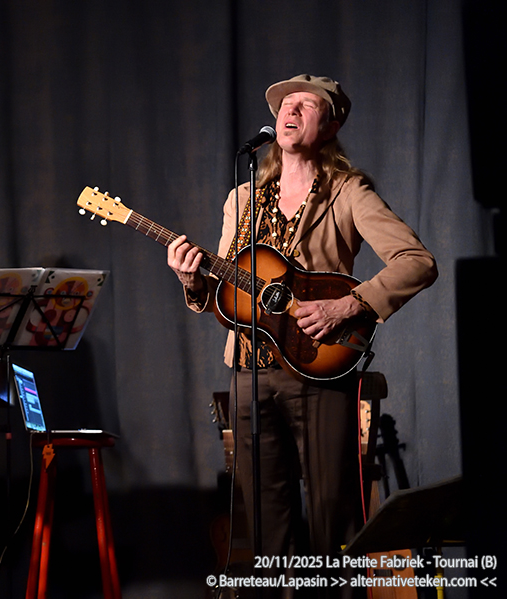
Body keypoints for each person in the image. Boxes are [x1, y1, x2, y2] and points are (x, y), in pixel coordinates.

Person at [167, 75, 437, 596]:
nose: (290, 111)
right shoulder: (242, 198)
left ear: (331, 126)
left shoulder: (348, 192)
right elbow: (225, 290)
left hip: (318, 367)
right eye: (285, 104)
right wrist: (191, 281)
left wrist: (348, 304)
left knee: (334, 515)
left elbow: (416, 262)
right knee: (266, 525)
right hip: (249, 373)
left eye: (306, 105)